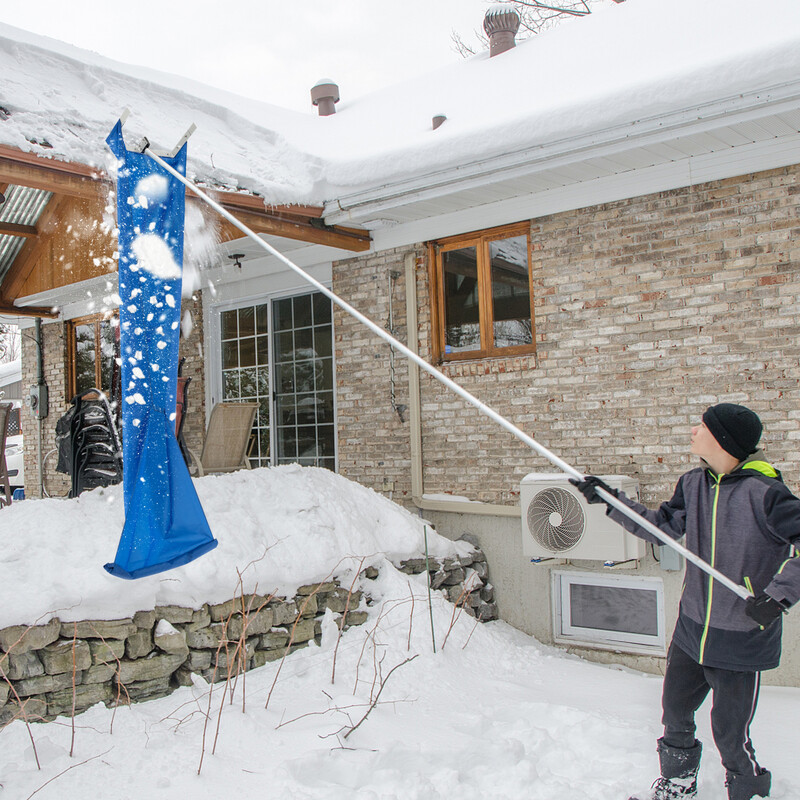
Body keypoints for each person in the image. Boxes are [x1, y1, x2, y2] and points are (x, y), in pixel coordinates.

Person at [571, 403, 800, 800]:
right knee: (675, 714)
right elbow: (660, 528)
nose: (694, 430)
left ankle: (749, 791)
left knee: (730, 733)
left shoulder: (767, 495)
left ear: (723, 440)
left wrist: (778, 597)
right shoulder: (694, 484)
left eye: (702, 426)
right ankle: (677, 784)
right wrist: (610, 500)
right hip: (693, 628)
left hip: (740, 635)